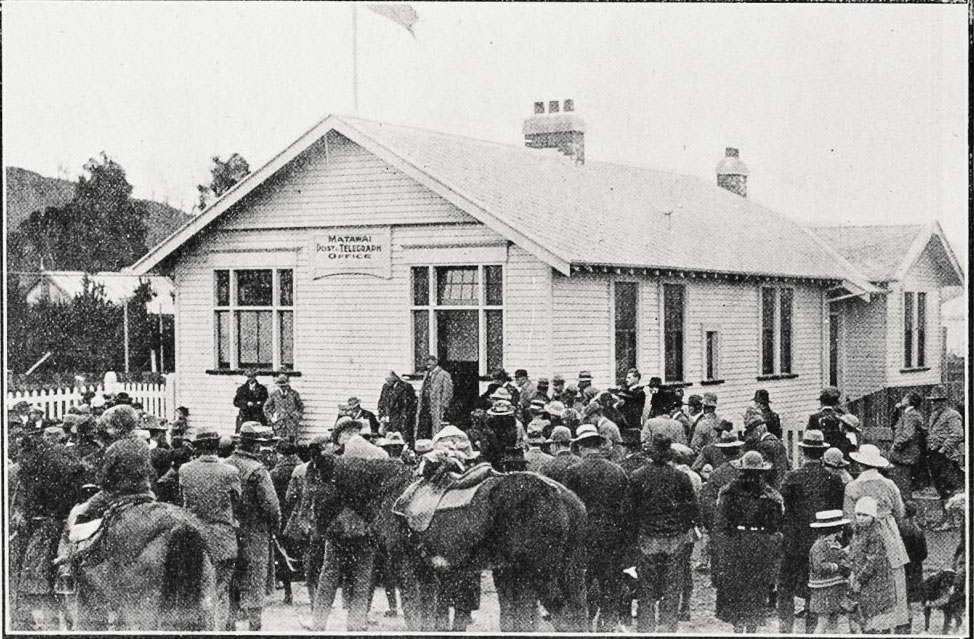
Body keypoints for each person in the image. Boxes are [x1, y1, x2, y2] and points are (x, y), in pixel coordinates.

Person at [625, 434, 699, 633]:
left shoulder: (637, 476)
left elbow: (629, 511)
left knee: (646, 588)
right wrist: (681, 529)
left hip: (647, 538)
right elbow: (692, 510)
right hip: (674, 539)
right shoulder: (681, 477)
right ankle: (667, 628)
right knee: (671, 588)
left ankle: (646, 627)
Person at [12, 433, 85, 630]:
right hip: (70, 520)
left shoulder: (32, 464)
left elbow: (31, 498)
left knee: (39, 580)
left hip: (46, 527)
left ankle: (49, 627)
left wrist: (24, 513)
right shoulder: (64, 456)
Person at [561, 425, 629, 632]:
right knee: (610, 582)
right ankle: (606, 627)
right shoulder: (618, 471)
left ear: (581, 448)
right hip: (611, 533)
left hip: (582, 534)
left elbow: (567, 508)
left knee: (582, 581)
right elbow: (625, 507)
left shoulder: (572, 472)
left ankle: (583, 625)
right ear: (600, 447)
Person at [776, 430, 845, 633]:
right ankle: (811, 629)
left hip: (794, 540)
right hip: (820, 541)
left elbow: (783, 507)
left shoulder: (792, 478)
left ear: (804, 452)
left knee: (786, 585)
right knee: (815, 586)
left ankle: (785, 627)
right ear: (821, 453)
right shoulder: (833, 480)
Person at [713, 450, 784, 633]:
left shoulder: (728, 492)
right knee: (756, 587)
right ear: (761, 471)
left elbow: (720, 524)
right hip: (759, 543)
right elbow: (775, 525)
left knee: (737, 586)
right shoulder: (770, 495)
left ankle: (738, 627)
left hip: (735, 542)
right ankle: (751, 627)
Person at [179, 429, 242, 631]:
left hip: (194, 536)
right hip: (223, 538)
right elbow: (237, 503)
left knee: (198, 590)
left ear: (197, 448)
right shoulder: (230, 471)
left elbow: (183, 500)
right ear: (217, 446)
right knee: (221, 591)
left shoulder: (185, 470)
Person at [843, 444, 911, 631]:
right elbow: (900, 512)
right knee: (893, 575)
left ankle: (867, 623)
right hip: (888, 532)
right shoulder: (889, 484)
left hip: (863, 535)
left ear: (859, 465)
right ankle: (895, 619)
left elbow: (849, 518)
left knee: (864, 573)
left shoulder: (852, 486)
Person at [225, 422, 281, 631]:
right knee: (255, 579)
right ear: (257, 447)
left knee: (232, 579)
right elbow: (272, 506)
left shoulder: (226, 463)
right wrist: (275, 528)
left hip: (230, 531)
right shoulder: (258, 471)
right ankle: (254, 627)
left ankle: (229, 624)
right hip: (255, 531)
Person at [849, 496, 910, 633]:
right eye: (858, 515)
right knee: (865, 616)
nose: (861, 518)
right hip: (863, 580)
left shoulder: (876, 534)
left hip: (876, 581)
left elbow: (873, 560)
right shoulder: (857, 532)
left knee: (878, 618)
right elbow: (854, 553)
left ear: (873, 516)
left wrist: (860, 579)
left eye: (865, 515)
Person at [697, 430, 744, 576]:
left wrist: (712, 525)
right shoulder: (750, 470)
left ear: (723, 452)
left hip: (724, 525)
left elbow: (707, 503)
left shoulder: (717, 474)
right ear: (739, 450)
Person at [924, 385, 964, 529]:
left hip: (945, 456)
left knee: (948, 488)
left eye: (937, 400)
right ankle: (946, 518)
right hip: (935, 455)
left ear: (943, 401)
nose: (934, 403)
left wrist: (943, 448)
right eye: (933, 400)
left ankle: (950, 520)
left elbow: (958, 434)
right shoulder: (934, 415)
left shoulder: (952, 415)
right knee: (941, 488)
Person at [806, 510, 852, 634]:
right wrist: (837, 566)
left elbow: (838, 555)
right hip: (824, 589)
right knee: (823, 620)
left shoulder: (833, 544)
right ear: (835, 531)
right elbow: (819, 566)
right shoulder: (819, 546)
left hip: (833, 588)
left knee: (833, 619)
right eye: (840, 529)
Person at [270, 439, 303, 605]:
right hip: (301, 517)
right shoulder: (305, 468)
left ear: (280, 454)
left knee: (283, 554)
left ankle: (288, 593)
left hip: (283, 518)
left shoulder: (275, 473)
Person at [888, 391, 924, 502]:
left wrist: (895, 446)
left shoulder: (912, 415)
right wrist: (896, 411)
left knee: (903, 486)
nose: (902, 399)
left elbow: (908, 435)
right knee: (901, 483)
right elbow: (894, 427)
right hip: (903, 455)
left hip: (905, 455)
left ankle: (905, 510)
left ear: (909, 401)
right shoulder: (906, 414)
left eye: (904, 397)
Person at [742, 409, 790, 490]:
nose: (751, 436)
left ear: (758, 430)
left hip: (772, 488)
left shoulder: (764, 446)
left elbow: (765, 472)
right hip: (783, 486)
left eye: (751, 432)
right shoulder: (777, 442)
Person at [415, 355, 454, 441]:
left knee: (436, 428)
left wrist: (443, 406)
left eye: (430, 364)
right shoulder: (427, 374)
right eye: (427, 364)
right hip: (425, 405)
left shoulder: (444, 374)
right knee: (423, 427)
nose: (428, 366)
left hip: (436, 406)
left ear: (435, 363)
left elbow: (447, 392)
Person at [481, 399, 526, 472]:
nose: (501, 419)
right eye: (498, 416)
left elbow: (520, 443)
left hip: (511, 456)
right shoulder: (489, 424)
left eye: (504, 416)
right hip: (493, 455)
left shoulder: (517, 425)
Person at [898, 501, 927, 613]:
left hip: (900, 566)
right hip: (914, 568)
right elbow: (923, 554)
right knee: (910, 600)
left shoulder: (897, 529)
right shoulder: (918, 531)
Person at [377, 371, 417, 443]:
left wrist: (403, 421)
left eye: (389, 380)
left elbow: (407, 407)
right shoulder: (386, 387)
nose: (387, 382)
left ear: (395, 378)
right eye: (386, 381)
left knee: (401, 441)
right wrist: (382, 416)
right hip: (387, 420)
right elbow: (381, 402)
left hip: (401, 421)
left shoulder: (405, 387)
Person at [263, 375, 304, 442]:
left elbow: (301, 406)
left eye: (285, 386)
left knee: (292, 443)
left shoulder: (294, 394)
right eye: (281, 386)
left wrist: (297, 416)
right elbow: (266, 407)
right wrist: (272, 418)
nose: (283, 388)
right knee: (279, 443)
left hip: (291, 424)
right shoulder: (274, 394)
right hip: (279, 424)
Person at [807, 387, 847, 453]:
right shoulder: (842, 417)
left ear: (822, 402)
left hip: (819, 450)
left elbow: (809, 435)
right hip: (838, 451)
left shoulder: (814, 417)